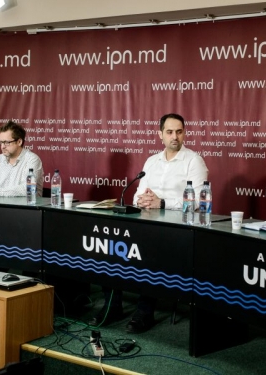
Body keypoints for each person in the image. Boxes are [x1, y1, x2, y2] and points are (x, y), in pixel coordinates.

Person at [89, 113, 208, 333]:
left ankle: (144, 312)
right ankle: (112, 306)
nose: (175, 137)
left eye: (179, 132)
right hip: (145, 224)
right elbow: (137, 196)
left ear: (184, 134)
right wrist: (143, 200)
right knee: (111, 246)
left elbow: (199, 202)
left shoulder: (194, 161)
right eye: (170, 132)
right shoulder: (151, 161)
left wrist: (162, 203)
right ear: (160, 134)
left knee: (149, 252)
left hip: (175, 229)